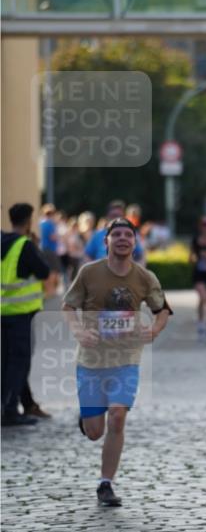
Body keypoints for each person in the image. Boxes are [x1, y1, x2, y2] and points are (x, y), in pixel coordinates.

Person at [63, 218, 172, 507]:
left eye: (128, 235)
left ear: (135, 242)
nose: (123, 239)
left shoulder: (144, 277)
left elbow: (162, 311)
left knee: (118, 416)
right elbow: (68, 306)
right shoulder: (89, 273)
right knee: (95, 431)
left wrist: (154, 330)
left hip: (127, 357)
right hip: (91, 359)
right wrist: (78, 331)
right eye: (117, 234)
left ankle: (105, 483)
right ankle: (88, 419)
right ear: (106, 241)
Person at [1, 204, 51, 427]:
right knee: (18, 363)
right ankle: (10, 410)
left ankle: (14, 406)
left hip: (2, 311)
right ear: (30, 221)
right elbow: (44, 271)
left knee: (6, 362)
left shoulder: (2, 242)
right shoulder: (24, 245)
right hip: (19, 314)